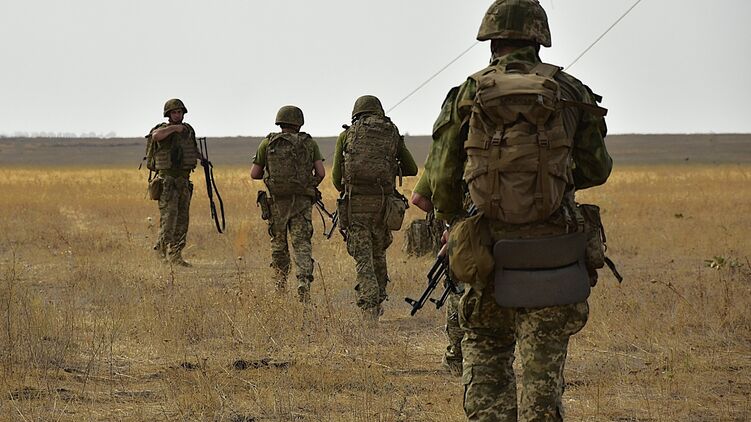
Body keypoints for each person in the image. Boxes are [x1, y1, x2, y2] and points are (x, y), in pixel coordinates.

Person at [413, 0, 613, 419]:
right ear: (539, 39)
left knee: (487, 364)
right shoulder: (571, 90)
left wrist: (458, 220)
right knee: (543, 386)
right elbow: (597, 168)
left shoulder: (467, 93)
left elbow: (443, 178)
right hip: (555, 251)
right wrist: (552, 182)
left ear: (491, 40)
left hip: (487, 250)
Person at [332, 95, 417, 321]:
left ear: (356, 113)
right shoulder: (391, 132)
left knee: (364, 260)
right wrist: (390, 166)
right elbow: (412, 168)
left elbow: (336, 180)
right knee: (379, 254)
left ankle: (369, 309)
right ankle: (377, 301)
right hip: (383, 206)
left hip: (356, 206)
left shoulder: (346, 135)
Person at [251, 105, 325, 302]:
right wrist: (308, 186)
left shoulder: (267, 143)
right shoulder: (309, 143)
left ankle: (280, 285)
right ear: (299, 123)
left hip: (276, 204)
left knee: (278, 245)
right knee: (301, 244)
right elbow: (321, 173)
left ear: (279, 122)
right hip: (301, 203)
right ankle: (303, 282)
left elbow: (254, 174)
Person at [148, 98, 203, 267]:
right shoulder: (162, 129)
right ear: (168, 114)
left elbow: (192, 148)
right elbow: (156, 136)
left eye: (179, 112)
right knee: (169, 219)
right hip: (168, 182)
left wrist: (202, 159)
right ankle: (161, 252)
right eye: (174, 112)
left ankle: (176, 255)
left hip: (183, 182)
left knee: (182, 220)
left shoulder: (188, 130)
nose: (177, 115)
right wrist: (174, 128)